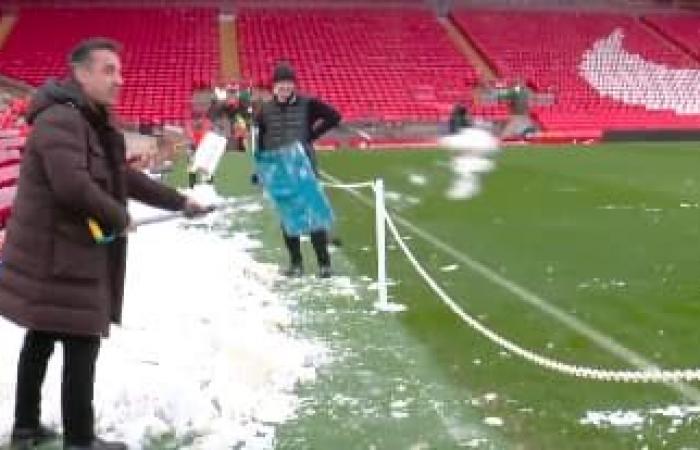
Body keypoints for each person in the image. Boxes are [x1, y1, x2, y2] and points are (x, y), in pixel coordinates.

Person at [0, 38, 210, 450]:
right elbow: (72, 185)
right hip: (59, 254)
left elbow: (121, 178)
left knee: (41, 334)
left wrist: (180, 202)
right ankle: (79, 439)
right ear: (80, 73)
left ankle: (25, 427)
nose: (120, 79)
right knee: (81, 338)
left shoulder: (92, 120)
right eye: (109, 70)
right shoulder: (61, 120)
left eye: (120, 70)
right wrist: (119, 215)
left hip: (63, 250)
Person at [255, 63, 341, 278]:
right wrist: (261, 169)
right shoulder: (264, 110)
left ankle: (324, 264)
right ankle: (296, 264)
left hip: (304, 169)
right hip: (279, 170)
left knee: (313, 218)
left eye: (288, 84)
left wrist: (312, 135)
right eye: (280, 84)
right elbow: (261, 142)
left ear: (293, 85)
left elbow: (334, 116)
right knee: (288, 219)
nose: (284, 88)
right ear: (274, 87)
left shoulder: (307, 104)